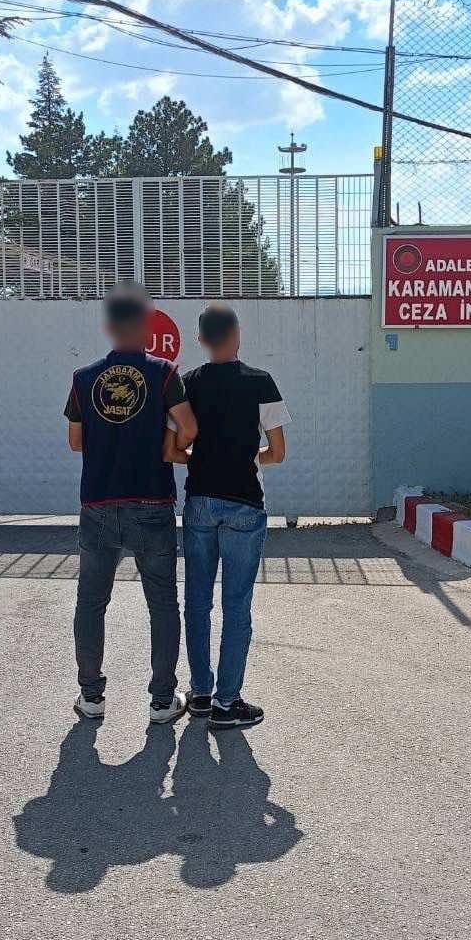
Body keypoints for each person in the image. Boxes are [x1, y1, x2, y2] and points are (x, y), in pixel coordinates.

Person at [64, 284, 197, 724]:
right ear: (144, 326)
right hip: (152, 502)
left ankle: (91, 697)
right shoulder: (165, 373)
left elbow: (75, 441)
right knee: (162, 603)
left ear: (109, 327)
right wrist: (166, 442)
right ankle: (162, 701)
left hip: (99, 503)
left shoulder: (83, 378)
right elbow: (189, 429)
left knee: (91, 603)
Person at [166, 303, 290, 730]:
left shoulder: (187, 384)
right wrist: (247, 458)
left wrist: (203, 459)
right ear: (237, 333)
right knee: (236, 605)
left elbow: (171, 451)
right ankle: (227, 702)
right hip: (244, 504)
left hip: (200, 502)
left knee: (197, 602)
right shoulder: (261, 382)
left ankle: (200, 693)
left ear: (201, 339)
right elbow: (277, 452)